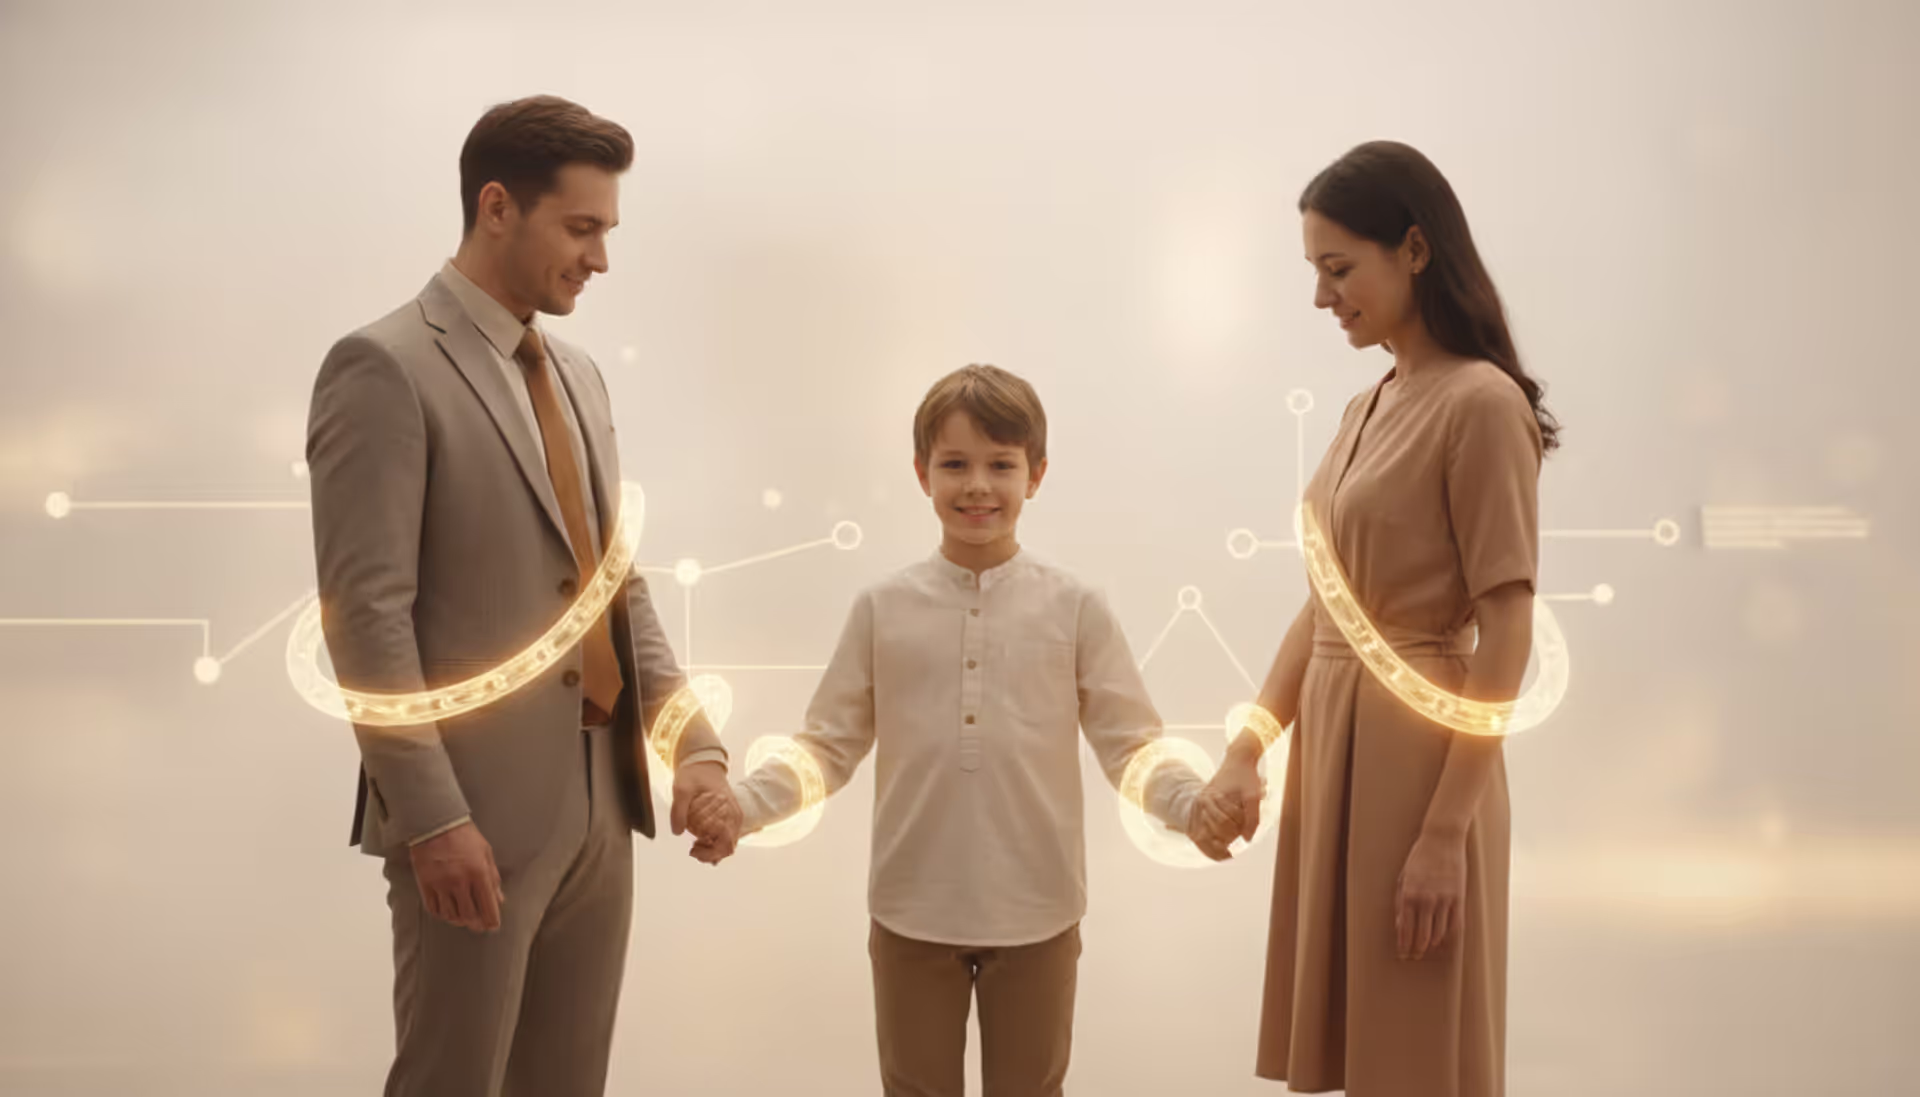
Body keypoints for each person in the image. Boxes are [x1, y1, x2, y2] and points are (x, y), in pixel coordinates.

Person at [305, 94, 742, 1097]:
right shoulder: (382, 366)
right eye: (581, 228)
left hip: (602, 801)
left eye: (607, 231)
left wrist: (696, 745)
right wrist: (431, 817)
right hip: (470, 813)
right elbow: (365, 615)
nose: (600, 258)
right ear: (496, 206)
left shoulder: (582, 375)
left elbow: (613, 590)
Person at [694, 364, 1243, 1096]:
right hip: (910, 910)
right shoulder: (882, 607)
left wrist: (1189, 806)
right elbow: (826, 747)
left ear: (1037, 474)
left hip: (1041, 909)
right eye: (954, 464)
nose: (977, 485)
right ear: (922, 473)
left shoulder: (1075, 606)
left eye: (1000, 464)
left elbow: (1131, 746)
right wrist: (743, 805)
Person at [1205, 140, 1558, 1096]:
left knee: (1412, 1051)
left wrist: (1447, 831)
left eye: (1338, 268)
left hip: (1419, 765)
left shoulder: (1481, 405)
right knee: (1358, 1052)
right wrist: (1250, 745)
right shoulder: (1368, 403)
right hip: (1336, 752)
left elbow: (1510, 630)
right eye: (1315, 272)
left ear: (1413, 249)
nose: (1324, 298)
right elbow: (1328, 607)